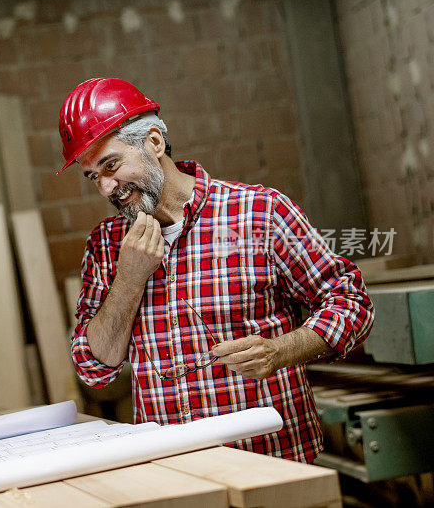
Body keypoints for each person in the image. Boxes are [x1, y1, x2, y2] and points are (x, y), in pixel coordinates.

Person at [59, 77, 374, 463]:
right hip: (177, 474)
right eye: (94, 177)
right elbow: (94, 370)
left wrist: (279, 351)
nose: (107, 188)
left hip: (273, 463)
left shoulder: (259, 213)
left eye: (111, 165)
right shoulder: (106, 245)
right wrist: (128, 279)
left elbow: (352, 305)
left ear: (154, 142)